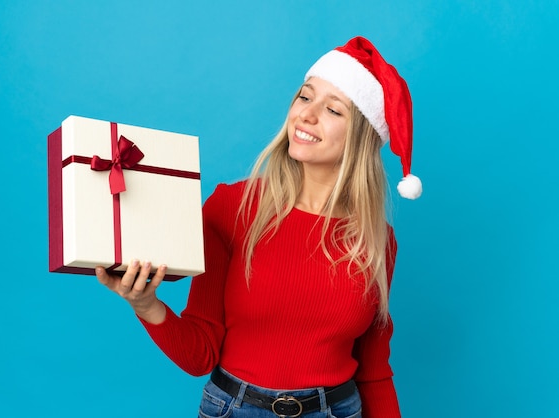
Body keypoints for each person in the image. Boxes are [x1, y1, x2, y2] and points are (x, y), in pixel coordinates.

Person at [96, 36, 422, 418]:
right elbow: (200, 356)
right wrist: (145, 304)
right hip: (234, 408)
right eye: (304, 97)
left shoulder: (377, 239)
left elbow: (374, 373)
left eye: (333, 110)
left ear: (363, 137)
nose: (307, 114)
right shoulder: (232, 207)